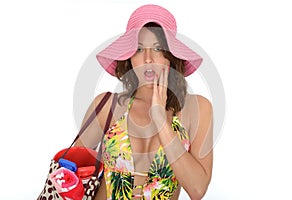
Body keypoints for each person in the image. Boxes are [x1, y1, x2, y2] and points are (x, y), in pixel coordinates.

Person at [76, 4, 213, 200]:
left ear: (171, 56)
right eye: (139, 49)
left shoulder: (197, 109)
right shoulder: (108, 106)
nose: (148, 59)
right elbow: (67, 173)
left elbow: (197, 189)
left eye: (158, 48)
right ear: (129, 56)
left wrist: (161, 121)